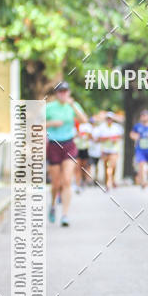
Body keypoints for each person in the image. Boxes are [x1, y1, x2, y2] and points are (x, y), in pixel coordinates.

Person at [45, 81, 87, 226]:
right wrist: (51, 124)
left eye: (65, 91)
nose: (63, 94)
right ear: (56, 94)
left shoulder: (72, 107)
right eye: (60, 92)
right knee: (56, 183)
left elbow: (84, 120)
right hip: (54, 145)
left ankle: (64, 215)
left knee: (67, 181)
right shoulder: (49, 108)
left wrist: (73, 105)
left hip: (69, 144)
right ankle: (52, 205)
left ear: (68, 93)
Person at [130, 108, 148, 187]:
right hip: (140, 149)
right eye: (142, 115)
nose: (144, 117)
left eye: (145, 115)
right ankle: (142, 182)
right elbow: (131, 134)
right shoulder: (137, 126)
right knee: (141, 164)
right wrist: (135, 136)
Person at [94, 111, 124, 190]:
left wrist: (115, 139)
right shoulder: (101, 127)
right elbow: (96, 139)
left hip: (114, 150)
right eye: (107, 119)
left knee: (113, 166)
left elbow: (120, 137)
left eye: (110, 119)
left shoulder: (117, 127)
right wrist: (105, 139)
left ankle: (112, 179)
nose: (109, 120)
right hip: (105, 150)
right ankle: (108, 182)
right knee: (106, 167)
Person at [74, 117, 94, 190]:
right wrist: (77, 135)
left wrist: (86, 135)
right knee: (77, 167)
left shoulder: (88, 126)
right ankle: (78, 183)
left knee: (84, 166)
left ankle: (84, 180)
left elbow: (92, 137)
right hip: (77, 148)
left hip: (85, 148)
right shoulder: (74, 125)